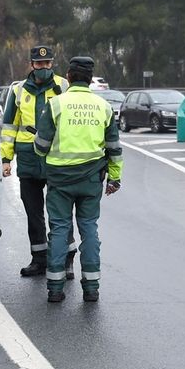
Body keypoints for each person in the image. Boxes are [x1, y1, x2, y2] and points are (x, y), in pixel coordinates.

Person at [35, 56, 123, 303]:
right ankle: (92, 287)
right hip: (91, 179)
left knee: (60, 230)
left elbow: (41, 146)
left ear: (69, 77)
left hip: (60, 180)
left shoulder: (56, 104)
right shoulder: (103, 106)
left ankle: (55, 288)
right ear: (90, 80)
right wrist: (114, 179)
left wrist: (42, 153)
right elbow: (114, 147)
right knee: (89, 229)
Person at [0, 45, 76, 278]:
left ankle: (66, 260)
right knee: (33, 212)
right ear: (31, 64)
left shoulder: (63, 86)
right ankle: (39, 259)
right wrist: (6, 158)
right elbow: (9, 126)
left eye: (47, 63)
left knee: (60, 212)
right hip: (28, 159)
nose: (43, 67)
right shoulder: (18, 90)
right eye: (39, 64)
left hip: (57, 157)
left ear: (52, 63)